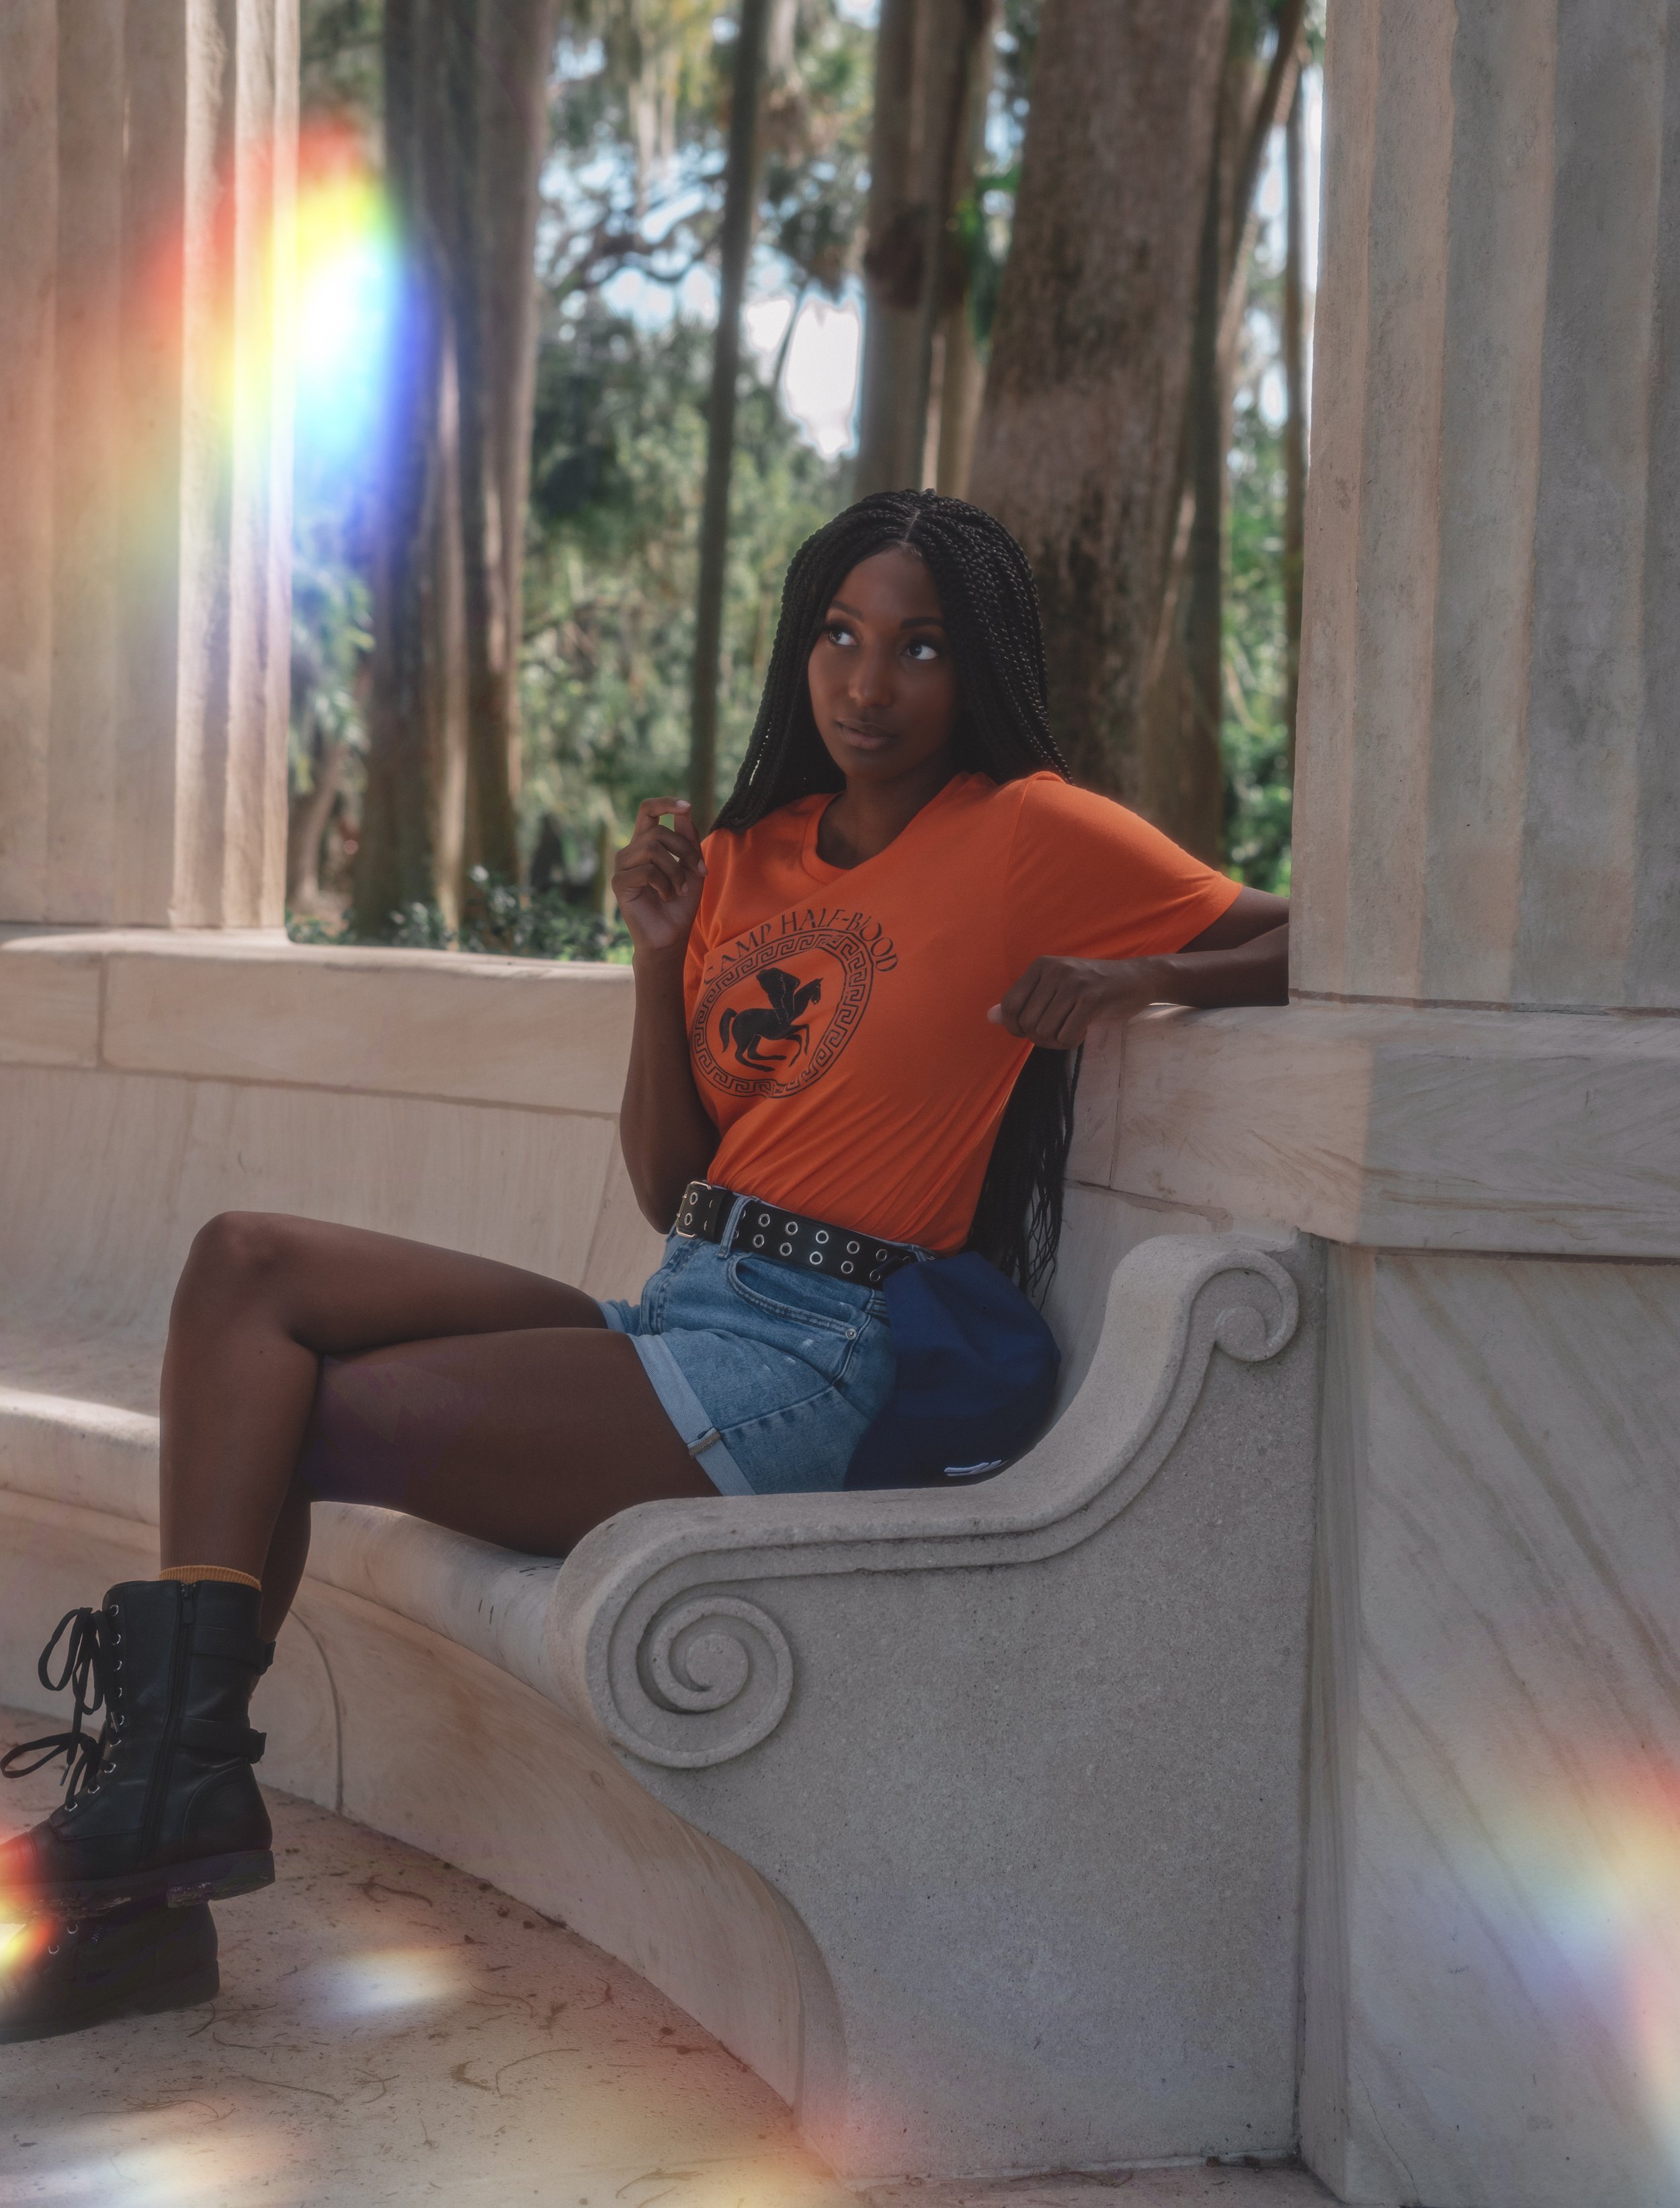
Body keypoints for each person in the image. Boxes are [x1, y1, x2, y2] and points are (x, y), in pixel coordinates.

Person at [0, 490, 1287, 1987]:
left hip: (812, 1358)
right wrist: (658, 954)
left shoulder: (1024, 834)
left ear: (975, 667)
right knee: (244, 1263)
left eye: (919, 649)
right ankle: (165, 1828)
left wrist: (1136, 978)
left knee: (295, 1417)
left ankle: (157, 1835)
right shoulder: (744, 855)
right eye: (839, 637)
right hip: (686, 1302)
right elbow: (676, 1184)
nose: (868, 685)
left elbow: (1310, 934)